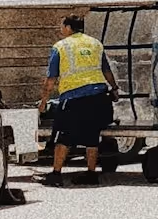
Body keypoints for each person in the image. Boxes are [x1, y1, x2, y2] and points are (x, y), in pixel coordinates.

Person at [40, 13, 113, 181]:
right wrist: (114, 88)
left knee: (63, 135)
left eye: (61, 26)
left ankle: (56, 174)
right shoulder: (96, 44)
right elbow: (106, 71)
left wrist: (44, 101)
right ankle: (91, 174)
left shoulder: (61, 47)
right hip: (98, 97)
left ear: (68, 27)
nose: (60, 29)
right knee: (92, 135)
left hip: (74, 98)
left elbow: (51, 79)